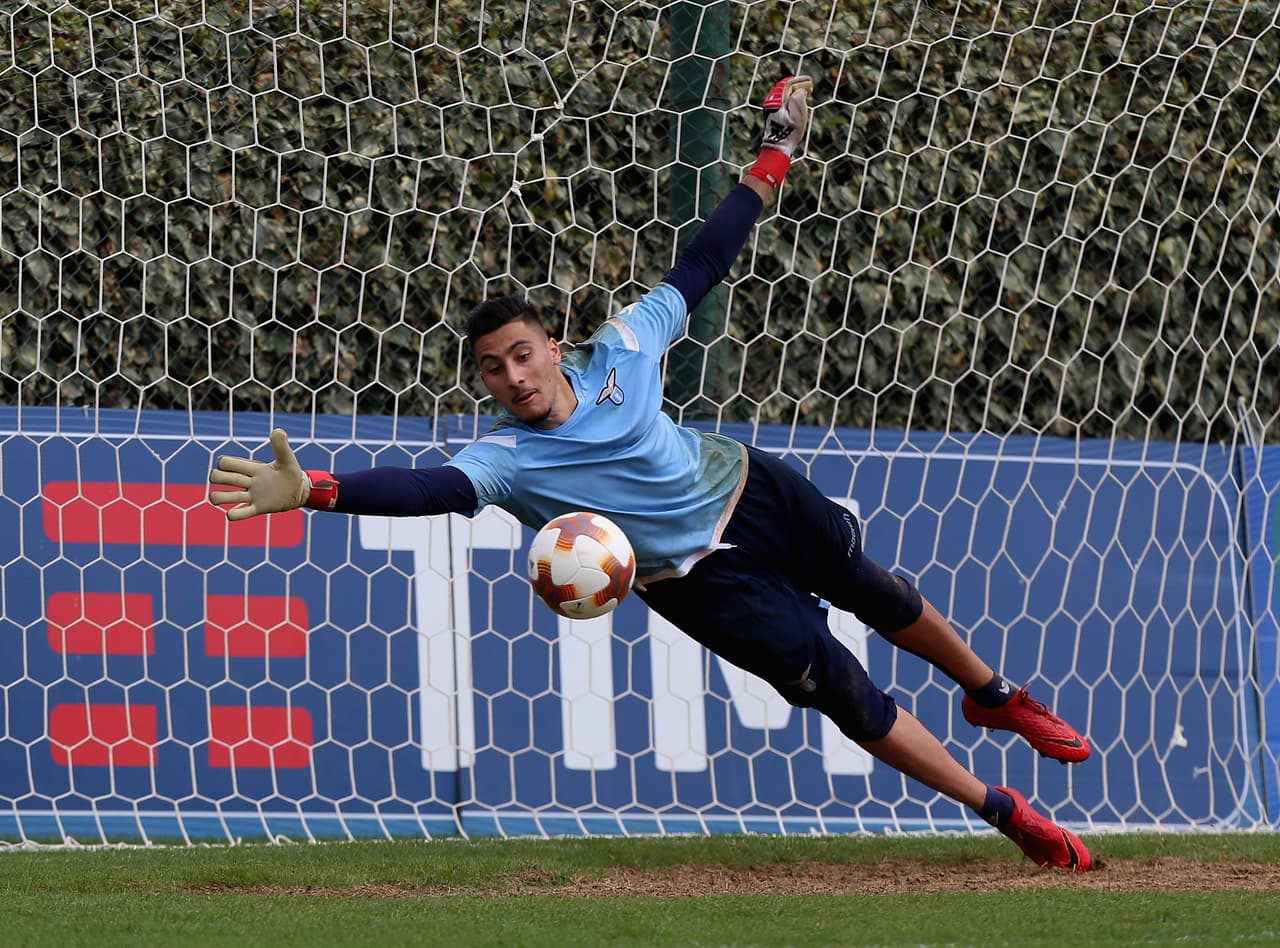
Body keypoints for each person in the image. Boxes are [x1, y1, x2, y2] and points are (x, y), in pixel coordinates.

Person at [210, 76, 1093, 871]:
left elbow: (705, 261)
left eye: (521, 355)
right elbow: (428, 491)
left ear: (552, 347)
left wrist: (776, 153)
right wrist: (319, 491)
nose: (512, 379)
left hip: (749, 488)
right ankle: (1003, 811)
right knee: (847, 691)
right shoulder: (504, 459)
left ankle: (993, 693)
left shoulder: (625, 346)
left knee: (872, 587)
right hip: (693, 581)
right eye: (491, 369)